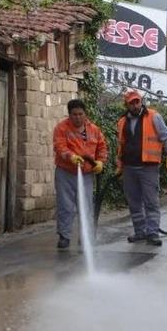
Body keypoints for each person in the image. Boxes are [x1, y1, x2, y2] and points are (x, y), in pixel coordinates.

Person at [115, 90, 167, 246]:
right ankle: (140, 232)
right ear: (127, 104)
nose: (136, 105)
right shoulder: (122, 122)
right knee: (134, 202)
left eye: (137, 101)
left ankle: (152, 233)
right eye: (132, 103)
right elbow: (121, 146)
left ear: (141, 101)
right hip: (129, 167)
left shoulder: (153, 117)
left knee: (151, 202)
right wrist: (119, 165)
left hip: (148, 167)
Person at [53, 99, 107, 249]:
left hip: (87, 174)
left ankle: (85, 237)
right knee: (66, 205)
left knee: (86, 206)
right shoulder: (61, 128)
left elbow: (102, 147)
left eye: (80, 114)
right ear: (69, 115)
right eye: (74, 114)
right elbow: (60, 146)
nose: (77, 117)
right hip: (66, 172)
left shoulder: (94, 130)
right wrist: (71, 157)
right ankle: (64, 236)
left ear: (85, 114)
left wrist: (101, 162)